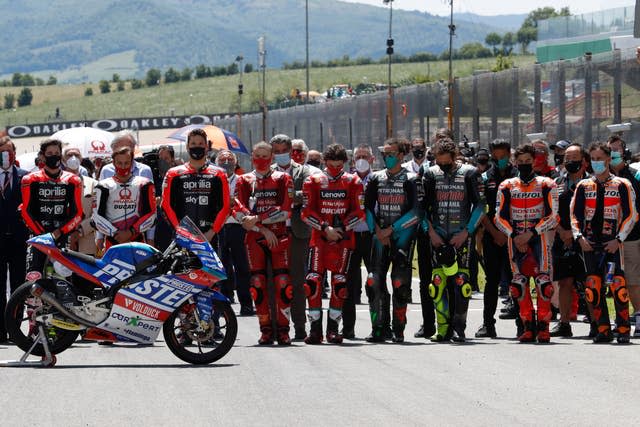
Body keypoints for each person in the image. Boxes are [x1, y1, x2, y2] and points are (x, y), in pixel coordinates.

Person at [571, 142, 638, 344]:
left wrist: (619, 240)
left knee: (618, 285)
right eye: (593, 159)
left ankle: (624, 328)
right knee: (593, 286)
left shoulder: (622, 184)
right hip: (590, 243)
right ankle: (602, 329)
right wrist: (579, 237)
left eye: (600, 158)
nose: (597, 162)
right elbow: (574, 215)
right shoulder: (583, 186)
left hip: (613, 243)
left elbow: (632, 215)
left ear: (609, 159)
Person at [422, 138, 486, 342]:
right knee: (437, 283)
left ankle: (459, 327)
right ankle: (442, 329)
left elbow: (481, 206)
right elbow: (420, 208)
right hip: (438, 235)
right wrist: (431, 232)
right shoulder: (430, 173)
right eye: (438, 162)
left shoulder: (470, 172)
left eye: (446, 162)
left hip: (462, 235)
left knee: (462, 283)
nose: (442, 166)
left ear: (454, 156)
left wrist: (466, 232)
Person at [301, 143, 365, 344]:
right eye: (331, 163)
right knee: (312, 283)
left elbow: (360, 211)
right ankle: (314, 330)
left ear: (345, 163)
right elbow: (305, 212)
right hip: (319, 240)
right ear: (325, 162)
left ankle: (333, 329)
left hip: (343, 241)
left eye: (339, 164)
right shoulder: (312, 180)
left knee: (339, 284)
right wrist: (324, 228)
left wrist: (342, 228)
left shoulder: (353, 181)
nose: (335, 168)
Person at [495, 143, 559, 343]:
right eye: (520, 161)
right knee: (518, 285)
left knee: (544, 284)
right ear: (515, 162)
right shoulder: (506, 185)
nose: (524, 165)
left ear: (535, 161)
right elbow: (498, 217)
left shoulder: (547, 184)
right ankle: (527, 327)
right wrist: (515, 235)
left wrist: (530, 234)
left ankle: (544, 327)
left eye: (528, 161)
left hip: (538, 238)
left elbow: (553, 215)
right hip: (515, 239)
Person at [233, 142, 294, 345]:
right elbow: (238, 211)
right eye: (257, 156)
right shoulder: (243, 180)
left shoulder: (283, 178)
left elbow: (286, 210)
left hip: (279, 235)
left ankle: (284, 330)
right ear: (252, 157)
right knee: (257, 284)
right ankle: (265, 330)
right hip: (255, 236)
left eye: (265, 156)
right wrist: (261, 227)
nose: (261, 159)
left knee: (283, 283)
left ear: (272, 158)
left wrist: (257, 219)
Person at [365, 138, 421, 343]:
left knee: (400, 283)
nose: (386, 157)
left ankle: (399, 329)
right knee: (373, 281)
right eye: (384, 154)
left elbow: (417, 212)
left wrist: (391, 230)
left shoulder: (413, 178)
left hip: (402, 237)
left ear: (400, 155)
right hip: (379, 236)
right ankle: (379, 328)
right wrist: (378, 231)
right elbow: (368, 208)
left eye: (390, 154)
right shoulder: (375, 178)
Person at [271, 134, 320, 340]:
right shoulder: (269, 172)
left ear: (291, 151)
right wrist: (291, 198)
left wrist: (289, 198)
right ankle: (276, 326)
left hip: (298, 232)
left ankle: (300, 325)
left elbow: (309, 194)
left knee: (298, 281)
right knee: (276, 281)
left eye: (285, 150)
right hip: (275, 232)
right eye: (277, 151)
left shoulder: (304, 170)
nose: (281, 154)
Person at [21, 138, 83, 277]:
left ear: (61, 155)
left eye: (57, 152)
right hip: (38, 235)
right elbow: (25, 211)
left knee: (64, 275)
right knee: (33, 276)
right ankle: (33, 299)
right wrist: (42, 234)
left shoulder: (73, 180)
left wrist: (59, 232)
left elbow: (78, 213)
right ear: (42, 156)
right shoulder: (30, 180)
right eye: (49, 153)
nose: (54, 155)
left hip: (62, 235)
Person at [475, 139, 518, 338]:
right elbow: (481, 208)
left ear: (510, 154)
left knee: (517, 280)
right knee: (491, 281)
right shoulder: (483, 178)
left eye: (503, 156)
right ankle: (487, 324)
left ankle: (523, 323)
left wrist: (510, 234)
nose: (500, 160)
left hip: (515, 237)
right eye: (496, 157)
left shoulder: (518, 175)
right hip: (492, 236)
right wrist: (494, 233)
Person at [161, 128, 230, 242]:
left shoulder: (219, 174)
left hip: (210, 237)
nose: (197, 146)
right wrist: (180, 231)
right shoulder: (173, 174)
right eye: (193, 143)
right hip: (182, 237)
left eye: (200, 144)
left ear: (206, 147)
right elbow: (166, 206)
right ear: (187, 146)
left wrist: (211, 232)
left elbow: (226, 207)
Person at [550, 143, 590, 337]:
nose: (569, 162)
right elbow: (548, 210)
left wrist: (576, 234)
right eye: (567, 158)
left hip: (586, 239)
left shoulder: (592, 183)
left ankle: (597, 322)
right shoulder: (555, 182)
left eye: (574, 159)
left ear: (584, 161)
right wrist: (561, 231)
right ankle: (564, 323)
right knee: (564, 282)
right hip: (562, 236)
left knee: (590, 282)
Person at [93, 146, 156, 251]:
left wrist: (131, 232)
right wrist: (114, 233)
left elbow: (152, 215)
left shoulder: (145, 184)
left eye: (126, 163)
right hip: (112, 241)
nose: (123, 166)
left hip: (137, 241)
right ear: (113, 163)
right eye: (119, 163)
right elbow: (96, 217)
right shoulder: (103, 186)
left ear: (132, 163)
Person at [607, 135, 640, 336]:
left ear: (625, 152)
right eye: (610, 151)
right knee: (622, 280)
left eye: (617, 150)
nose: (613, 155)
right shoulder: (603, 179)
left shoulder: (635, 175)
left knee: (635, 279)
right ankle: (624, 317)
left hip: (634, 235)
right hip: (614, 239)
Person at [342, 143, 375, 339]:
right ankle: (348, 328)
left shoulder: (379, 179)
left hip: (371, 237)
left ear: (372, 159)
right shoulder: (347, 181)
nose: (361, 159)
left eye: (365, 156)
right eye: (358, 156)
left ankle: (378, 326)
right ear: (353, 161)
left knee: (375, 283)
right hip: (351, 237)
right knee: (347, 283)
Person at [216, 149, 253, 315]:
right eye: (222, 161)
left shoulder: (243, 180)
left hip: (238, 226)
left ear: (235, 162)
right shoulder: (214, 179)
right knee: (222, 266)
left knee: (242, 266)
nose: (226, 164)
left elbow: (249, 202)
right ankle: (225, 300)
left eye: (229, 160)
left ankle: (246, 303)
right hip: (220, 227)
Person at [0, 136, 29, 343]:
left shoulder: (25, 178)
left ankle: (16, 327)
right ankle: (1, 330)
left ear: (14, 154)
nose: (5, 156)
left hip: (19, 240)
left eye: (8, 151)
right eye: (1, 152)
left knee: (19, 284)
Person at [62, 146, 98, 255]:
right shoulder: (56, 184)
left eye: (76, 155)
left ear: (81, 159)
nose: (73, 158)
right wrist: (67, 234)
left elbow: (98, 214)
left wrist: (79, 232)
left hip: (87, 244)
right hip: (63, 242)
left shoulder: (93, 184)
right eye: (69, 155)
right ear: (63, 160)